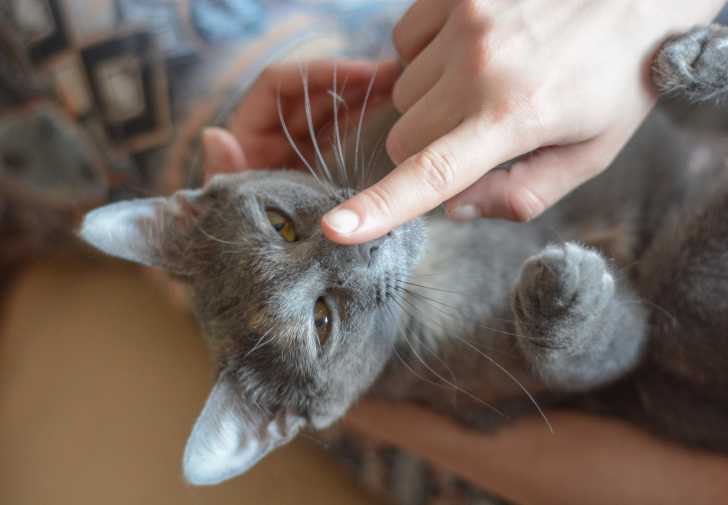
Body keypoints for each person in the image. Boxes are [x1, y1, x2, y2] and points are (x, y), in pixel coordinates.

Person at [200, 1, 728, 503]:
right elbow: (618, 348)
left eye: (283, 228)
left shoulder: (343, 153)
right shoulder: (449, 361)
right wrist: (568, 325)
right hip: (679, 248)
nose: (345, 252)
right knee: (688, 299)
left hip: (675, 133)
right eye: (320, 320)